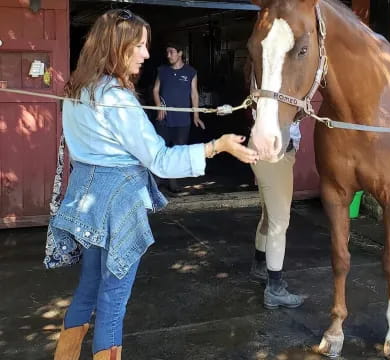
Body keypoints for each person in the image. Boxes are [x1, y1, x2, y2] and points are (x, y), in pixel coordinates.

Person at [49, 9, 258, 360]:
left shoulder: (78, 88)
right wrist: (216, 146)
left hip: (86, 198)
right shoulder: (115, 97)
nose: (147, 54)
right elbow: (159, 159)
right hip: (116, 205)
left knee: (88, 288)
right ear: (117, 47)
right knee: (113, 300)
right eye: (140, 46)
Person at [249, 122, 304, 310]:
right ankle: (274, 289)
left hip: (269, 151)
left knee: (269, 216)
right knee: (279, 223)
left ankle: (259, 266)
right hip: (275, 155)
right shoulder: (280, 92)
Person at [152, 43, 203, 193]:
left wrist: (196, 115)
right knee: (160, 148)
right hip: (164, 117)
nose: (168, 55)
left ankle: (173, 182)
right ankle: (156, 181)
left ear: (180, 53)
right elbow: (155, 90)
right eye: (167, 52)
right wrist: (159, 106)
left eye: (171, 52)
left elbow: (194, 94)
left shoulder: (191, 72)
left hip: (182, 119)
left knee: (178, 150)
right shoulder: (162, 71)